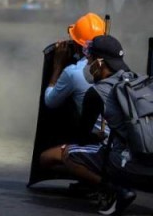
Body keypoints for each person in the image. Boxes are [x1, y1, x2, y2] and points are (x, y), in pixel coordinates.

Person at [62, 35, 153, 215]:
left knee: (69, 153)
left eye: (89, 59)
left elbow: (81, 137)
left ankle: (117, 190)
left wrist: (96, 136)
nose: (87, 64)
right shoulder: (139, 80)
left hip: (130, 164)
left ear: (100, 63)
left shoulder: (96, 92)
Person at [39, 13, 107, 173]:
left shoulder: (73, 72)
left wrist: (57, 66)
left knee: (46, 159)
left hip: (99, 143)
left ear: (78, 46)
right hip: (120, 142)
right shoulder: (116, 66)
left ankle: (100, 183)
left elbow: (50, 101)